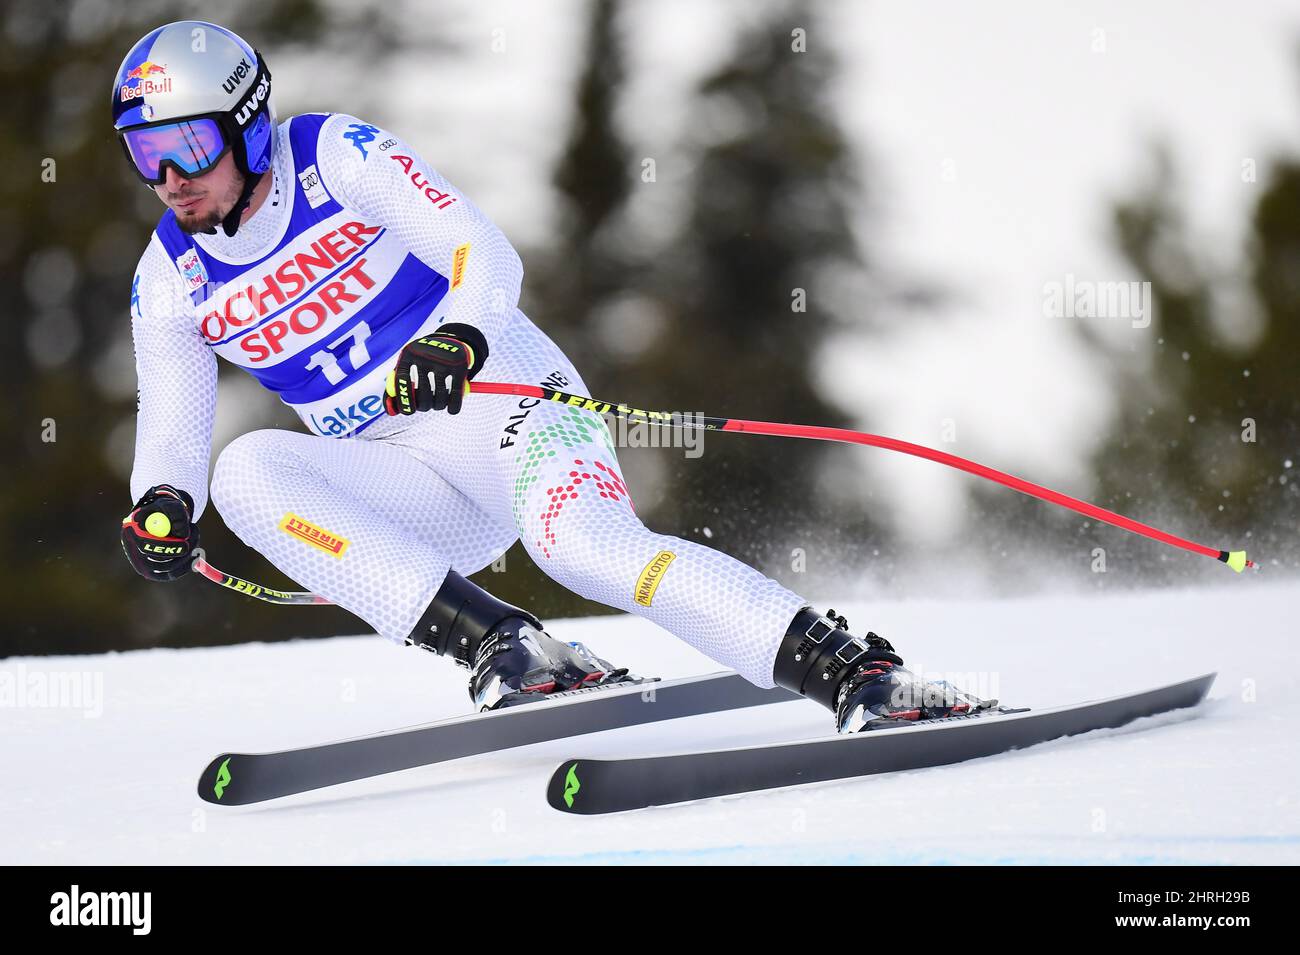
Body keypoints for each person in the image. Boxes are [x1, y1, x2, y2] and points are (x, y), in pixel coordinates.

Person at [115, 20, 973, 731]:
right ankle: (512, 647)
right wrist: (160, 501)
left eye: (185, 145)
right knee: (243, 472)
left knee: (586, 550)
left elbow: (479, 250)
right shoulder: (169, 278)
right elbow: (173, 429)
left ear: (248, 122)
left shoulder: (335, 158)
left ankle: (857, 673)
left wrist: (454, 337)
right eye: (144, 154)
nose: (168, 179)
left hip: (503, 406)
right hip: (413, 487)